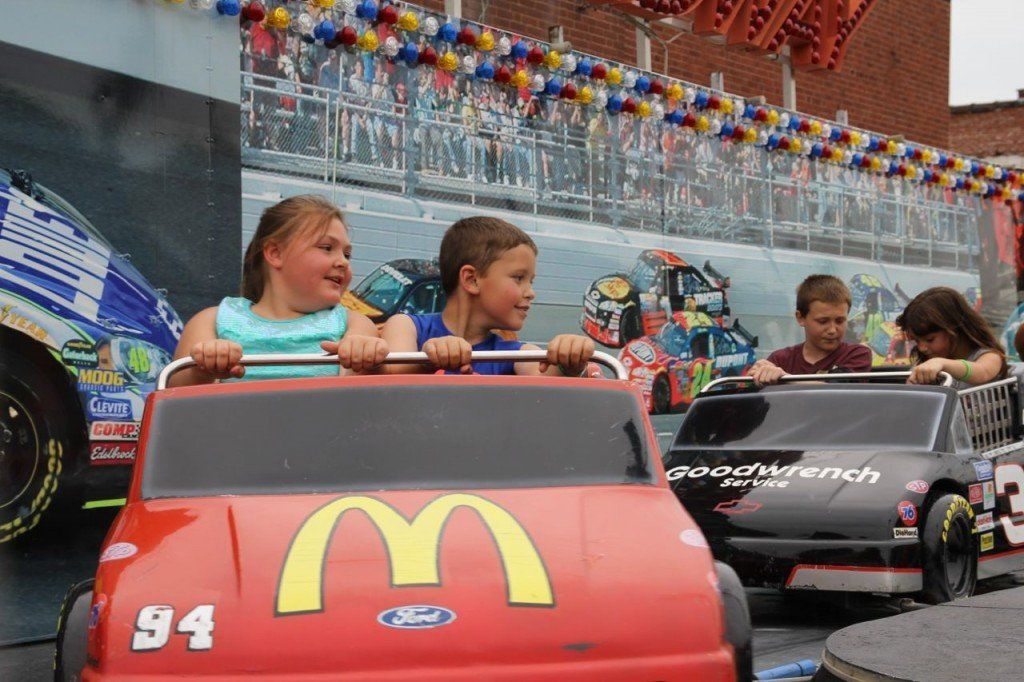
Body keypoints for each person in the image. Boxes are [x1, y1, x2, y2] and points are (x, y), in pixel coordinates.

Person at [168, 195, 387, 387]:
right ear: (275, 253)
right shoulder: (212, 321)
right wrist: (203, 367)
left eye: (347, 255)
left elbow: (359, 402)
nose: (343, 262)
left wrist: (365, 357)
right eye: (327, 248)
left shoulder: (354, 325)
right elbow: (175, 395)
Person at [381, 216, 594, 376]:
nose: (531, 293)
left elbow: (547, 376)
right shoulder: (406, 326)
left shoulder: (516, 354)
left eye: (531, 281)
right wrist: (429, 357)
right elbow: (394, 373)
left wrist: (570, 360)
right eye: (519, 278)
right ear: (472, 279)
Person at [748, 274, 871, 385]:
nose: (833, 330)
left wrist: (784, 378)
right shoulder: (780, 359)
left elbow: (835, 389)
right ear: (800, 318)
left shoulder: (858, 354)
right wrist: (756, 378)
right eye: (823, 321)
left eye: (840, 321)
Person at [895, 286, 1006, 387]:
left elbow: (983, 372)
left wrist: (941, 363)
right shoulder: (925, 364)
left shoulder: (989, 357)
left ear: (954, 329)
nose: (921, 348)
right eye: (917, 341)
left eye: (930, 339)